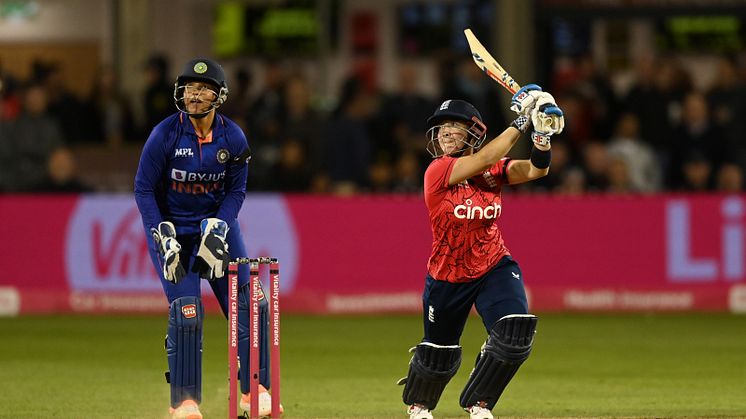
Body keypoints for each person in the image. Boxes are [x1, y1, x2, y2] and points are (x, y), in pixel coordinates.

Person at [397, 85, 564, 419]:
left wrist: (542, 137)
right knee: (439, 353)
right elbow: (486, 157)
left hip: (493, 264)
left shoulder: (492, 172)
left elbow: (536, 170)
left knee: (515, 332)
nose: (445, 132)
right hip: (448, 273)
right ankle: (419, 406)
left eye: (455, 126)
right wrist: (524, 119)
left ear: (472, 133)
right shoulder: (437, 171)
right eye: (442, 126)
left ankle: (479, 403)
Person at [134, 57, 280, 418]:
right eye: (190, 88)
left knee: (251, 305)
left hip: (216, 231)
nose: (195, 95)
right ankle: (184, 402)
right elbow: (143, 190)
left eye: (203, 89)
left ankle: (254, 391)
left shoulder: (234, 137)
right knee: (187, 314)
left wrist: (220, 225)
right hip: (174, 235)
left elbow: (237, 191)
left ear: (220, 96)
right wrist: (159, 234)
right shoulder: (164, 135)